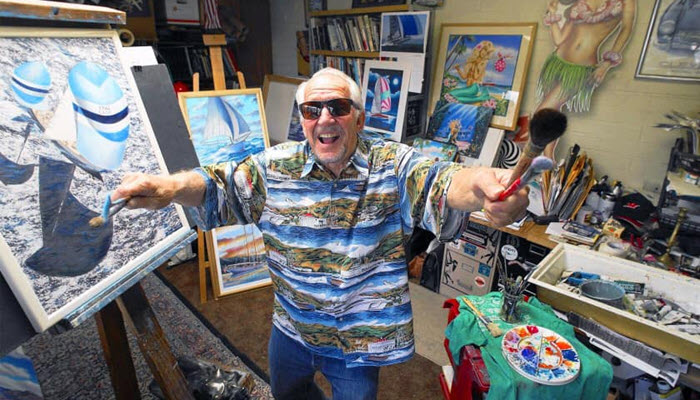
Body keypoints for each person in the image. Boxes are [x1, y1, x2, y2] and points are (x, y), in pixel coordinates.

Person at [113, 68, 528, 400]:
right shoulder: (273, 168)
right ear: (302, 120)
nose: (324, 119)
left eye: (337, 107)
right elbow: (217, 185)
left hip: (357, 342)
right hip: (291, 328)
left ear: (359, 118)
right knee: (288, 394)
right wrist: (169, 188)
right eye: (312, 110)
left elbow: (442, 180)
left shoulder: (392, 166)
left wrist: (482, 187)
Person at [536, 0, 636, 157]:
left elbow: (626, 29)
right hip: (557, 61)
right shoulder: (579, 2)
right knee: (551, 113)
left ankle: (545, 159)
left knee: (543, 111)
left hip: (581, 69)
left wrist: (606, 64)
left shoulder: (625, 2)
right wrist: (552, 13)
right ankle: (548, 159)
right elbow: (559, 40)